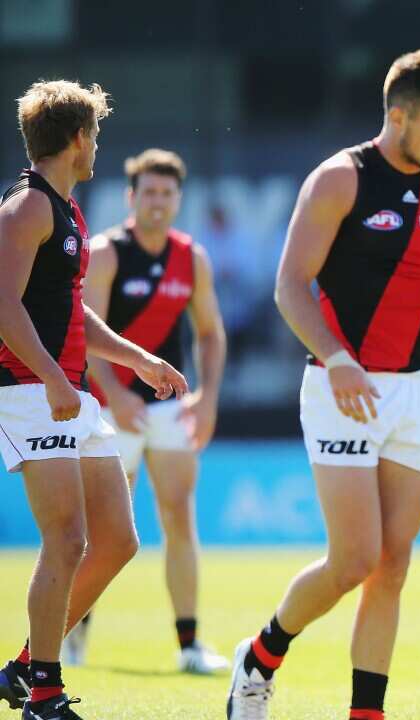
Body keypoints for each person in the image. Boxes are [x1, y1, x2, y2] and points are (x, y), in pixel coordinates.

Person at [225, 49, 420, 720]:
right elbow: (288, 286)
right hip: (341, 389)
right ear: (399, 115)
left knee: (392, 565)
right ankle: (262, 655)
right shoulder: (339, 179)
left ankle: (368, 714)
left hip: (417, 394)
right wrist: (336, 358)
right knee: (354, 559)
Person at [0, 80, 187, 720]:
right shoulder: (27, 208)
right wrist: (51, 376)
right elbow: (3, 305)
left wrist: (138, 357)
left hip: (68, 392)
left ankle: (25, 666)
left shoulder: (67, 211)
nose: (97, 145)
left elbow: (67, 308)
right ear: (79, 139)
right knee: (67, 538)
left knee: (117, 539)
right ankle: (44, 693)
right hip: (31, 391)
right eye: (96, 135)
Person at [68, 148, 229, 675]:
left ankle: (188, 644)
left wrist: (206, 398)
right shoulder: (108, 252)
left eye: (167, 193)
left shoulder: (192, 258)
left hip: (170, 406)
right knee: (105, 530)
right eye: (149, 192)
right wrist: (116, 392)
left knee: (180, 517)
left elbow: (209, 333)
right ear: (131, 197)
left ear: (179, 199)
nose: (159, 202)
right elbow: (84, 334)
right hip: (113, 406)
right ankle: (71, 636)